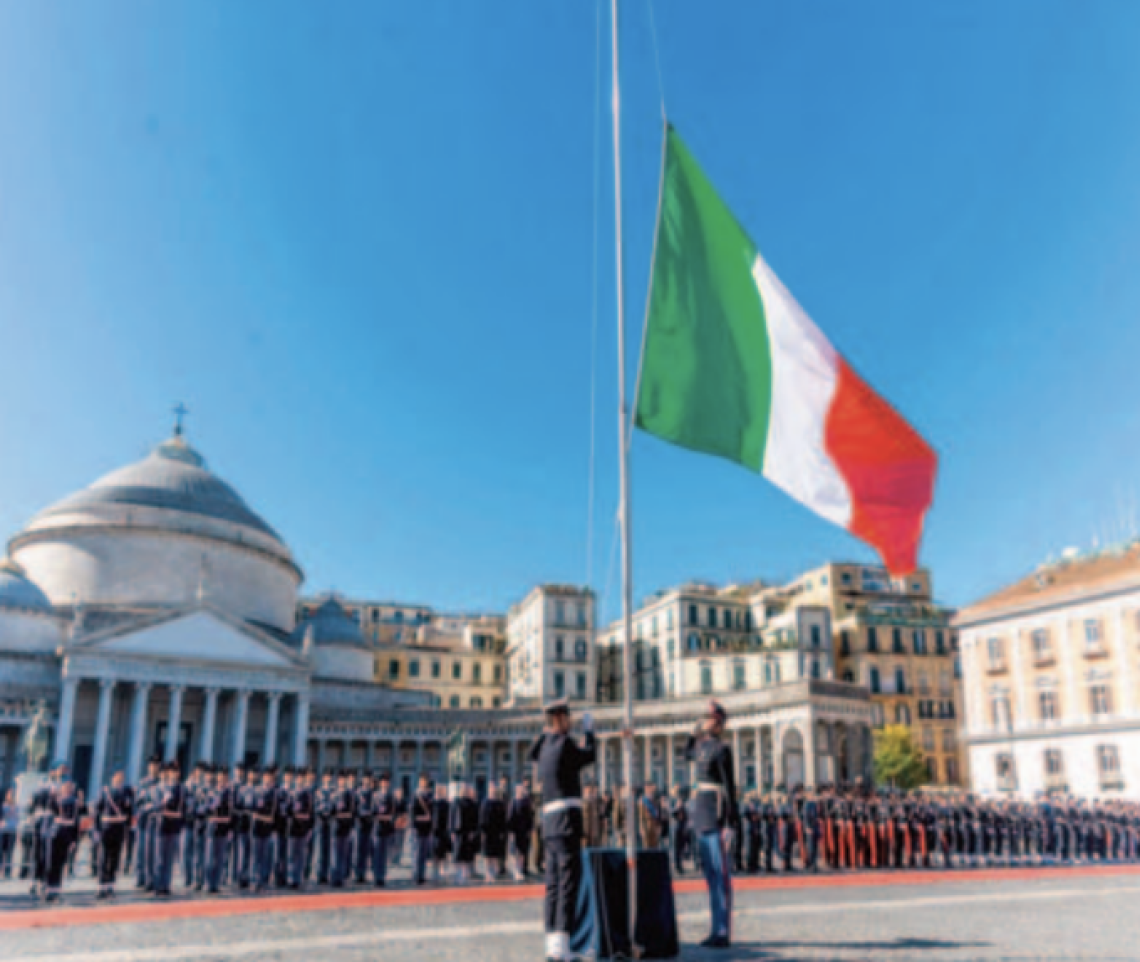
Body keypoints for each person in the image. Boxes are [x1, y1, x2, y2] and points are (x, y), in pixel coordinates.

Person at [529, 698, 596, 962]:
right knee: (568, 884)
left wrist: (545, 732)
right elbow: (588, 755)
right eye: (567, 718)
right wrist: (589, 733)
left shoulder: (544, 747)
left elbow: (532, 752)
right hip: (567, 822)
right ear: (561, 718)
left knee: (553, 885)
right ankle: (563, 946)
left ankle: (552, 944)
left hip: (549, 823)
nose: (571, 723)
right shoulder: (565, 744)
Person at [685, 701, 737, 949]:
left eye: (709, 718)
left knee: (720, 875)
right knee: (710, 876)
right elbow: (686, 754)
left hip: (716, 815)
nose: (705, 721)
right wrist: (692, 733)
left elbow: (729, 787)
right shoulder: (699, 746)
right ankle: (715, 928)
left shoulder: (722, 750)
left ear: (718, 723)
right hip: (701, 815)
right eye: (705, 717)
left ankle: (722, 930)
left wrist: (731, 823)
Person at [93, 770, 133, 899]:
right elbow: (97, 811)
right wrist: (97, 829)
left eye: (121, 778)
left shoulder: (126, 793)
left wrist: (127, 827)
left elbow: (129, 812)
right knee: (104, 858)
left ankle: (110, 886)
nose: (119, 780)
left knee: (115, 858)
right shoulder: (105, 792)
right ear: (112, 778)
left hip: (119, 829)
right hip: (106, 828)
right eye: (117, 777)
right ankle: (101, 886)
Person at [153, 761, 184, 897]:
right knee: (159, 857)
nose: (174, 774)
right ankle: (158, 884)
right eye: (172, 771)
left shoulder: (180, 789)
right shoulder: (160, 788)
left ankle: (166, 885)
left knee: (169, 858)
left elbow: (182, 809)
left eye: (176, 771)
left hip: (173, 826)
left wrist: (175, 815)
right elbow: (156, 806)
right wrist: (164, 802)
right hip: (161, 825)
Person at [450, 782, 479, 884]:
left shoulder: (471, 803)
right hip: (458, 831)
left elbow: (475, 818)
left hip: (468, 831)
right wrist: (452, 831)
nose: (464, 791)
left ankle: (465, 874)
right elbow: (451, 817)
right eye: (462, 789)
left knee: (467, 854)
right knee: (457, 853)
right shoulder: (456, 802)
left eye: (466, 789)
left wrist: (473, 831)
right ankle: (457, 874)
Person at [331, 770, 356, 887]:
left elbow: (351, 813)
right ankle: (334, 877)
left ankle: (340, 877)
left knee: (343, 854)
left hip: (345, 827)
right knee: (334, 854)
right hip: (335, 827)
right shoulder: (334, 794)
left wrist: (341, 815)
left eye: (343, 779)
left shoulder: (349, 795)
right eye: (340, 779)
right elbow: (331, 811)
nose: (341, 781)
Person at [480, 782, 508, 882]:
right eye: (491, 789)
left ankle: (494, 872)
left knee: (495, 853)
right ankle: (488, 873)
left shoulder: (500, 803)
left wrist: (503, 832)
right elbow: (482, 818)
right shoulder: (485, 803)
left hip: (497, 832)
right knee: (488, 854)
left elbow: (503, 819)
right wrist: (482, 832)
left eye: (494, 789)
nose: (493, 791)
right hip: (487, 832)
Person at [372, 773, 397, 887]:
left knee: (384, 854)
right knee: (377, 853)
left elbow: (392, 814)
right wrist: (383, 817)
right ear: (380, 783)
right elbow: (373, 813)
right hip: (378, 828)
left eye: (386, 782)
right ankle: (376, 876)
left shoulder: (391, 797)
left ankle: (382, 876)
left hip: (386, 829)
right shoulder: (375, 796)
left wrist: (384, 817)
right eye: (383, 782)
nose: (385, 784)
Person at [506, 781, 534, 881]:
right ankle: (516, 870)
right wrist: (511, 832)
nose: (521, 791)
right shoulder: (513, 802)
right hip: (515, 831)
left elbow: (530, 817)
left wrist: (530, 829)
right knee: (515, 852)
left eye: (522, 790)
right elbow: (510, 818)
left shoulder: (526, 802)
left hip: (524, 831)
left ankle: (521, 869)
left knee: (523, 851)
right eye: (519, 790)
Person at [410, 773, 434, 885]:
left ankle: (422, 875)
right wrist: (423, 818)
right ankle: (416, 875)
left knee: (424, 853)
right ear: (419, 782)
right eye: (422, 781)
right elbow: (412, 813)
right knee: (417, 853)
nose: (424, 783)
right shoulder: (415, 795)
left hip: (427, 828)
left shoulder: (429, 795)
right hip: (418, 828)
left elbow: (432, 810)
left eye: (426, 781)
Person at [429, 781, 452, 882]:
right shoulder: (433, 803)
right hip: (435, 831)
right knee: (436, 853)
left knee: (443, 853)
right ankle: (435, 872)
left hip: (444, 831)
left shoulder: (446, 804)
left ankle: (442, 871)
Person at [1, 788, 17, 879]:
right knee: (1, 851)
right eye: (9, 794)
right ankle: (1, 870)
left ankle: (7, 871)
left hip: (12, 830)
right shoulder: (3, 806)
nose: (10, 796)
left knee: (9, 852)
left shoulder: (16, 806)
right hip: (3, 830)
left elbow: (16, 818)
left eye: (12, 794)